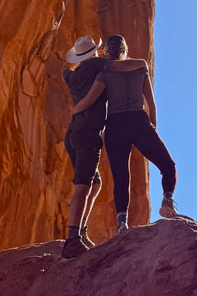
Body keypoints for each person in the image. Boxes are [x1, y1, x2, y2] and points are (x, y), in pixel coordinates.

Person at [76, 34, 177, 234]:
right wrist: (152, 128)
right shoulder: (141, 68)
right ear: (125, 49)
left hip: (115, 124)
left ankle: (122, 223)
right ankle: (167, 200)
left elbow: (90, 99)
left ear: (107, 52)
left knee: (121, 177)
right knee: (167, 165)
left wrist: (76, 109)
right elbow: (151, 102)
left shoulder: (104, 73)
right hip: (139, 121)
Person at [60, 35, 107, 259]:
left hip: (73, 134)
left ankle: (81, 230)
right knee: (83, 185)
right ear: (95, 52)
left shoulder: (72, 76)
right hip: (88, 134)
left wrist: (75, 59)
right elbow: (118, 63)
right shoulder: (97, 65)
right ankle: (73, 239)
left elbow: (64, 69)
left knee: (95, 183)